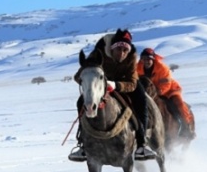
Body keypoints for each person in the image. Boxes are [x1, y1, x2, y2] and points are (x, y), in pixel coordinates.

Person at [69, 28, 158, 162]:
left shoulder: (132, 56)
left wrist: (116, 85)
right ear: (111, 48)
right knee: (81, 102)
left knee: (141, 100)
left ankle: (141, 144)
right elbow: (79, 75)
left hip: (125, 82)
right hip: (102, 84)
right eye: (118, 49)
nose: (122, 53)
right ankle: (82, 144)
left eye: (125, 50)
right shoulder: (98, 53)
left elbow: (132, 83)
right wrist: (90, 81)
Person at [137, 47, 195, 139]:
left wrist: (158, 92)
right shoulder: (137, 68)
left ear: (153, 59)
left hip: (169, 90)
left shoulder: (162, 68)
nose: (146, 61)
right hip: (149, 92)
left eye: (148, 59)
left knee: (178, 103)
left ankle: (186, 127)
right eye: (144, 59)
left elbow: (166, 84)